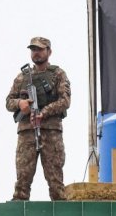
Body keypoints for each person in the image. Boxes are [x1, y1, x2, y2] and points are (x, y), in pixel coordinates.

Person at [5, 37, 71, 201]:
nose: (36, 53)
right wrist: (21, 103)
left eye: (40, 49)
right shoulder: (22, 78)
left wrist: (44, 112)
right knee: (22, 180)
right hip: (27, 132)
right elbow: (8, 102)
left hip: (51, 132)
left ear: (49, 51)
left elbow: (65, 101)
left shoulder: (57, 74)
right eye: (33, 50)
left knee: (55, 181)